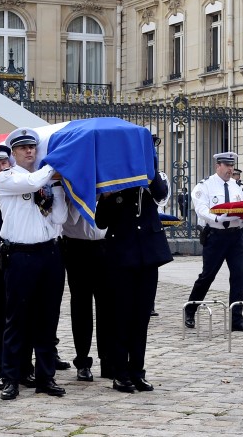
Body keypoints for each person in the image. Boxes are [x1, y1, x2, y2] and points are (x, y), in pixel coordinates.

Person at [0, 127, 68, 400]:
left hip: (49, 254)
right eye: (23, 148)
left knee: (48, 319)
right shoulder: (7, 177)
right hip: (21, 255)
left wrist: (58, 188)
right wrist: (54, 168)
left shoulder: (45, 180)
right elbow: (32, 183)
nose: (29, 151)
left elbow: (59, 218)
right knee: (17, 320)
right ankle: (11, 378)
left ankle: (45, 377)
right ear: (13, 152)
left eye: (32, 147)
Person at [96, 161, 173, 393]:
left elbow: (161, 193)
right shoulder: (114, 180)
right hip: (121, 255)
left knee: (141, 317)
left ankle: (137, 371)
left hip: (148, 255)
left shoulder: (152, 177)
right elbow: (101, 221)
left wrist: (149, 166)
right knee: (121, 316)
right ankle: (120, 373)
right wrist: (109, 196)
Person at [0, 144, 36, 391]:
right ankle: (2, 369)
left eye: (5, 163)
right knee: (3, 316)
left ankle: (25, 368)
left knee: (27, 315)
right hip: (2, 258)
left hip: (25, 256)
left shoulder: (23, 181)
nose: (2, 168)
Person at [185, 152, 243, 333]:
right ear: (218, 166)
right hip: (216, 236)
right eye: (226, 165)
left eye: (232, 166)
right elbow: (201, 210)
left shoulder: (238, 187)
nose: (230, 169)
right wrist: (217, 218)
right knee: (207, 276)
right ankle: (190, 309)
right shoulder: (206, 185)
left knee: (238, 276)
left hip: (235, 237)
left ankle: (236, 319)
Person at [61, 200, 111, 383]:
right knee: (81, 305)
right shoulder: (76, 180)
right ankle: (82, 361)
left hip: (105, 245)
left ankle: (108, 359)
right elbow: (67, 218)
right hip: (77, 246)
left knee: (107, 305)